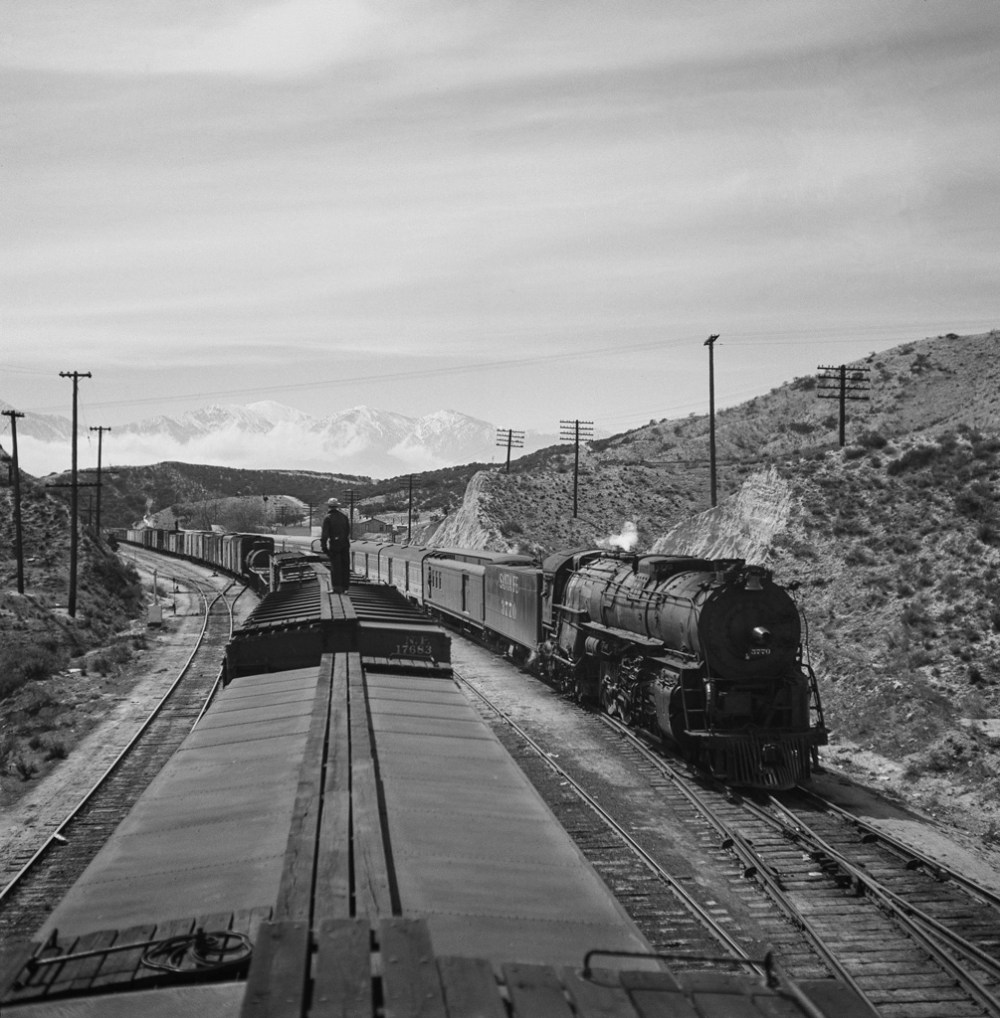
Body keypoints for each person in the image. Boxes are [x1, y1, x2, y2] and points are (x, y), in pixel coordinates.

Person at [320, 497, 351, 593]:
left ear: (329, 506)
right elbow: (347, 531)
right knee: (345, 567)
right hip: (345, 544)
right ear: (337, 506)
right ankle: (345, 588)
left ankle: (336, 588)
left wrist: (324, 547)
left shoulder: (328, 518)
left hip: (335, 545)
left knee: (336, 567)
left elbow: (325, 534)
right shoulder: (344, 516)